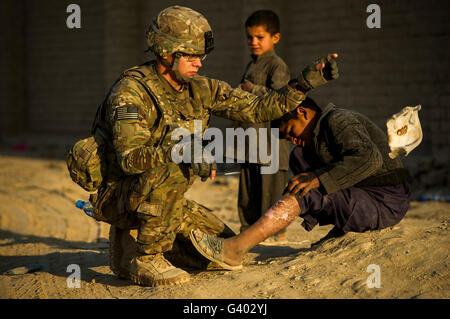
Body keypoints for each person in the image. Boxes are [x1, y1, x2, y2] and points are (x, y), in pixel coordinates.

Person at [90, 6, 339, 286]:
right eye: (192, 55)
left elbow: (257, 108)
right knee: (175, 157)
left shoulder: (201, 88)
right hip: (119, 195)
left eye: (202, 55)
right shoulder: (131, 90)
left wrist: (303, 84)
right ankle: (146, 257)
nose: (199, 62)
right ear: (166, 51)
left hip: (163, 199)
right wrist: (184, 148)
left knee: (222, 249)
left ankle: (129, 242)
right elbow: (129, 158)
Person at [189, 97, 411, 271]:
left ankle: (234, 251)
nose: (292, 139)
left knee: (307, 190)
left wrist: (316, 179)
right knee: (299, 157)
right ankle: (343, 226)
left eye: (290, 131)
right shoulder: (316, 136)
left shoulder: (339, 120)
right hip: (366, 197)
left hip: (386, 201)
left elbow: (370, 159)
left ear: (302, 112)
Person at [235, 10, 292, 245]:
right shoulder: (252, 64)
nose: (254, 42)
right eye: (250, 37)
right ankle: (248, 235)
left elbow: (282, 100)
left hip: (271, 144)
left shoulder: (277, 66)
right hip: (251, 142)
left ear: (275, 38)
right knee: (248, 195)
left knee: (271, 195)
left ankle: (275, 235)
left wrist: (251, 89)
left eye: (260, 37)